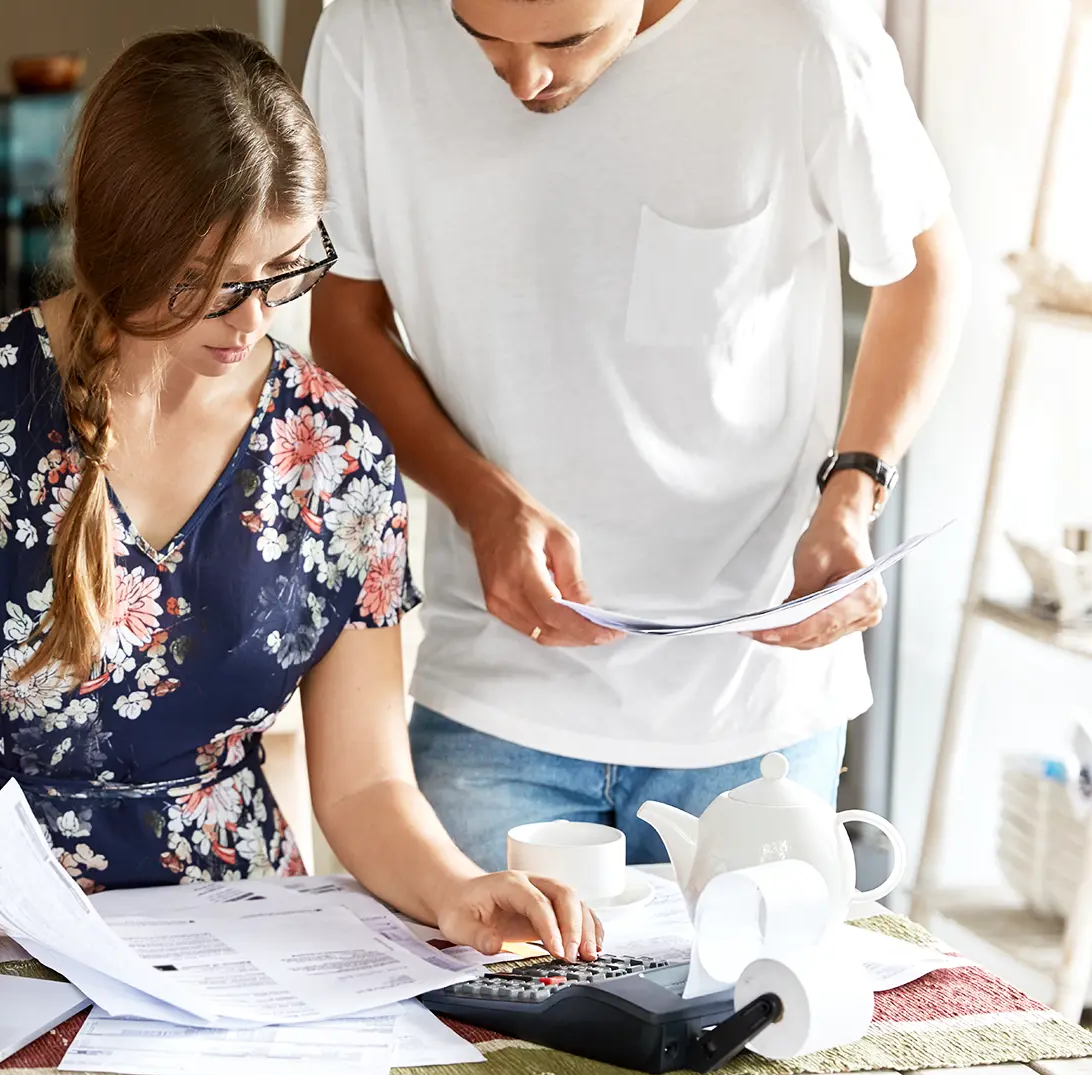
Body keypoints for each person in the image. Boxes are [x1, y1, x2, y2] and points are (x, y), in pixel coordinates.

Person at [0, 27, 602, 961]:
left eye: (283, 271)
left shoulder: (333, 450)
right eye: (206, 285)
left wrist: (457, 889)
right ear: (119, 244)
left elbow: (365, 786)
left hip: (240, 948)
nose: (253, 321)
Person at [303, 0, 969, 870]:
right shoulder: (370, 27)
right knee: (469, 1008)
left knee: (753, 1004)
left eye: (565, 41)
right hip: (495, 702)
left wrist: (852, 495)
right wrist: (481, 500)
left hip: (753, 713)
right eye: (483, 40)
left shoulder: (806, 37)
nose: (524, 79)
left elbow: (923, 274)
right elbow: (345, 321)